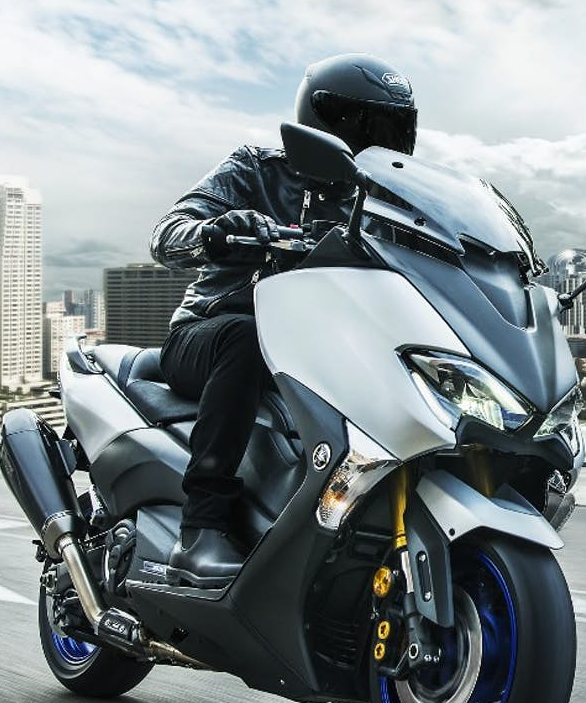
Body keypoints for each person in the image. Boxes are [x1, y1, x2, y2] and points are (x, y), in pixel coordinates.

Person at [149, 53, 418, 585]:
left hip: (321, 349)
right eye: (364, 125)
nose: (377, 142)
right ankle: (202, 527)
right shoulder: (257, 167)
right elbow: (166, 233)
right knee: (249, 337)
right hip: (213, 330)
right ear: (322, 122)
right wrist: (214, 232)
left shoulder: (392, 198)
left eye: (391, 127)